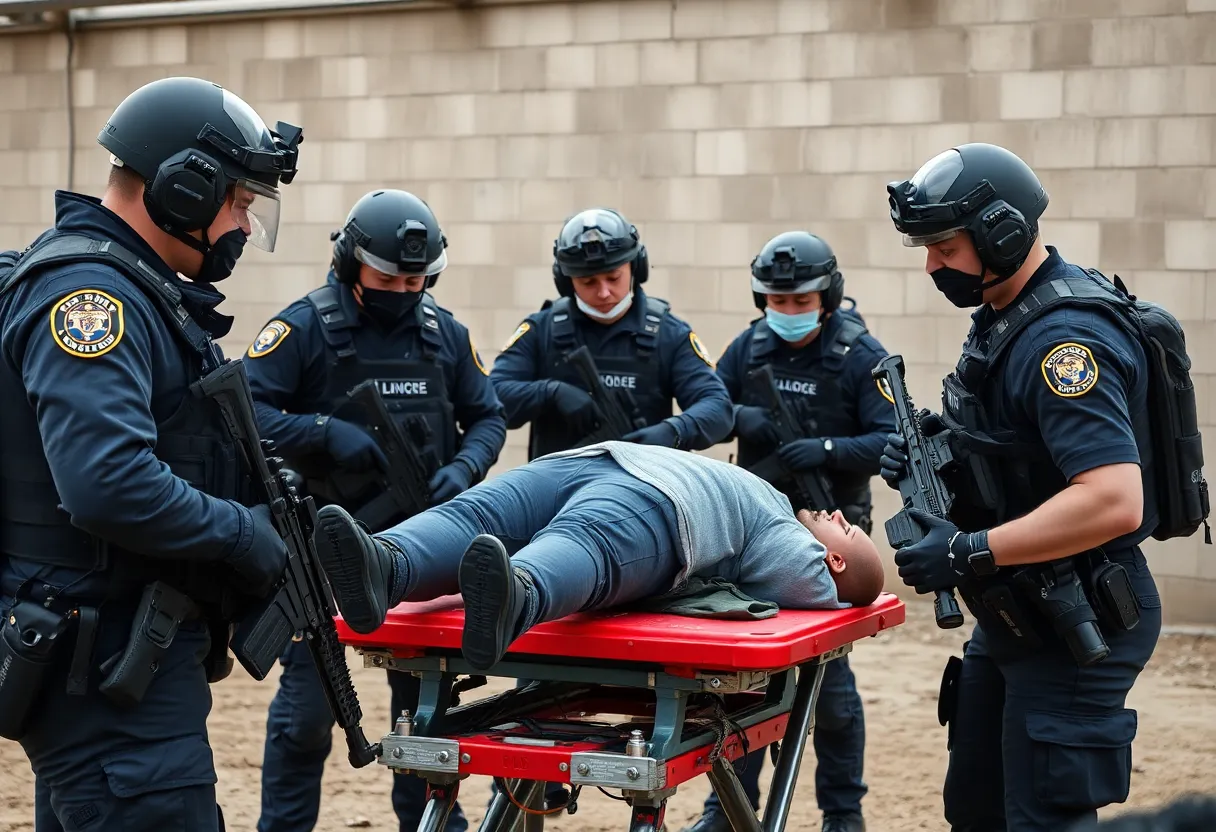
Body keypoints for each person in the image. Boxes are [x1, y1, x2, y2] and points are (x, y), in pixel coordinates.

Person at [0, 76, 301, 831]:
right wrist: (241, 535)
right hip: (105, 676)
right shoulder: (91, 299)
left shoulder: (137, 288)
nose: (244, 224)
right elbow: (107, 482)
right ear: (184, 188)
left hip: (114, 666)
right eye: (239, 202)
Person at [880, 142, 1164, 831]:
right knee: (976, 807)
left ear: (1000, 234)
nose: (931, 266)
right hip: (1016, 610)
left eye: (944, 247)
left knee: (1040, 818)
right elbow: (1023, 458)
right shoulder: (1007, 316)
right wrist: (942, 454)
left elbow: (1112, 498)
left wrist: (968, 550)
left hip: (1076, 614)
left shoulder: (1063, 344)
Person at [244, 189, 506, 832]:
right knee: (307, 717)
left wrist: (464, 469)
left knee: (423, 718)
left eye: (415, 281)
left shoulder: (445, 334)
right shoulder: (304, 328)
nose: (402, 292)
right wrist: (320, 432)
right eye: (387, 280)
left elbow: (488, 417)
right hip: (322, 554)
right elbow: (244, 409)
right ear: (350, 264)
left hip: (422, 553)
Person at [312, 441, 886, 668]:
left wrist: (847, 590)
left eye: (848, 532)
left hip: (658, 502)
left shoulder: (793, 543)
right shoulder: (782, 515)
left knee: (581, 541)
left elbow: (819, 590)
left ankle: (515, 595)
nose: (840, 516)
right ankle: (383, 566)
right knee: (476, 516)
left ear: (832, 560)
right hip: (601, 463)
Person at [686, 232, 897, 832]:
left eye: (801, 301)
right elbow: (706, 410)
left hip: (835, 533)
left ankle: (843, 813)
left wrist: (828, 449)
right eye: (777, 302)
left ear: (826, 296)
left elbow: (892, 438)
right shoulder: (748, 348)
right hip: (755, 537)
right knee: (745, 679)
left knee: (829, 685)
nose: (788, 312)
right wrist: (737, 416)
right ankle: (728, 810)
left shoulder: (859, 353)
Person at [490, 208, 733, 459]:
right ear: (565, 280)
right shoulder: (541, 330)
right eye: (588, 282)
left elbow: (718, 408)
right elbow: (492, 396)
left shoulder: (669, 334)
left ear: (636, 268)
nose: (604, 292)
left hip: (641, 478)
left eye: (613, 277)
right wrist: (549, 392)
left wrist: (673, 431)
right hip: (558, 480)